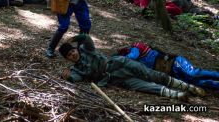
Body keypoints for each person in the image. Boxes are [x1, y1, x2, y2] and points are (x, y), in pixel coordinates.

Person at [59, 35, 206, 101]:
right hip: (115, 78)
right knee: (144, 86)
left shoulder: (87, 50)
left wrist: (74, 39)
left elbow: (86, 38)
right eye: (69, 55)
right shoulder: (75, 69)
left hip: (121, 63)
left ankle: (189, 87)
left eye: (72, 51)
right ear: (67, 59)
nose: (72, 54)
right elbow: (76, 78)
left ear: (75, 49)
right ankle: (177, 95)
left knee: (152, 74)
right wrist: (68, 77)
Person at [116, 42, 219, 90]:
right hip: (171, 72)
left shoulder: (136, 47)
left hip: (175, 63)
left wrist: (119, 60)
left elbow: (131, 56)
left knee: (193, 73)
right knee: (195, 82)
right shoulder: (137, 63)